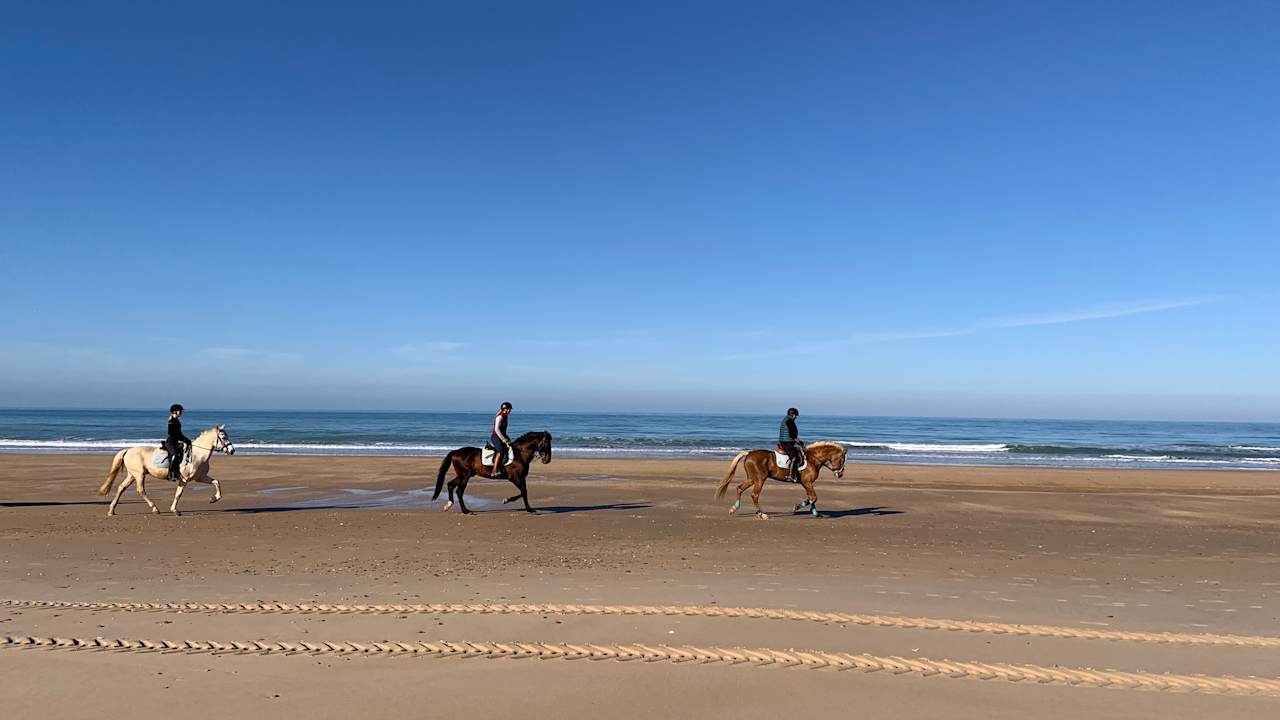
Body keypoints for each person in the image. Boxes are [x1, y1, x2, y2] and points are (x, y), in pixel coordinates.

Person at [163, 403, 192, 481]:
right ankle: (171, 473)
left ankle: (179, 471)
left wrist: (186, 440)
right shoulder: (171, 420)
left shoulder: (176, 420)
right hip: (170, 442)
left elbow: (179, 433)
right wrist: (182, 439)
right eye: (180, 411)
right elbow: (171, 433)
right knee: (175, 455)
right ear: (175, 411)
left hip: (176, 441)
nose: (181, 412)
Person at [489, 402, 514, 479]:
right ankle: (494, 470)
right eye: (509, 409)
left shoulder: (504, 415)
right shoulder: (500, 417)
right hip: (496, 436)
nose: (510, 411)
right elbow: (496, 429)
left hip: (501, 435)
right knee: (500, 452)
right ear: (505, 409)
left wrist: (506, 438)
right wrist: (503, 438)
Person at [778, 407, 803, 483]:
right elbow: (792, 434)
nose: (796, 417)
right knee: (795, 458)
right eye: (795, 416)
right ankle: (791, 475)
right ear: (792, 414)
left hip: (784, 441)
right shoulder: (790, 421)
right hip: (787, 442)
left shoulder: (785, 419)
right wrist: (799, 442)